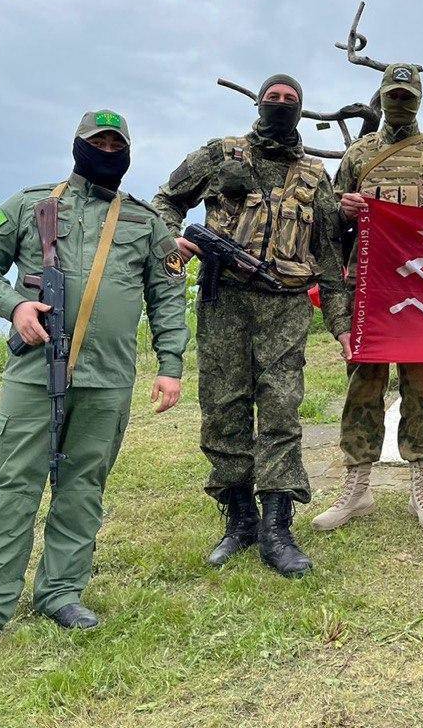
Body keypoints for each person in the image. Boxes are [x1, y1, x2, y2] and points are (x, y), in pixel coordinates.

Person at [0, 110, 188, 661]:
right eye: (96, 142)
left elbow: (168, 295)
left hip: (109, 378)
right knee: (15, 485)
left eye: (115, 144)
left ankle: (61, 593)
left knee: (83, 486)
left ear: (127, 152)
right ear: (78, 147)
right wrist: (14, 305)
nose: (106, 151)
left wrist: (171, 364)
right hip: (35, 371)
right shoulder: (30, 205)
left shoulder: (145, 222)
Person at [152, 75, 350, 578]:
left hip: (285, 305)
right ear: (259, 103)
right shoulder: (221, 154)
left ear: (301, 109)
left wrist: (341, 325)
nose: (280, 105)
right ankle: (240, 518)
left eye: (290, 100)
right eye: (273, 97)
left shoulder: (315, 176)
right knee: (223, 406)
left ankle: (277, 527)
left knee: (281, 407)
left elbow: (329, 255)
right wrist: (171, 240)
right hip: (224, 302)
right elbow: (167, 199)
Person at [311, 63, 423, 533]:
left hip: (421, 290)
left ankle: (422, 487)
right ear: (381, 98)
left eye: (407, 96)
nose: (399, 103)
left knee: (419, 385)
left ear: (418, 100)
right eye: (393, 95)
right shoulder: (358, 155)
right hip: (368, 290)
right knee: (364, 386)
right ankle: (357, 486)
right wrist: (342, 209)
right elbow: (327, 222)